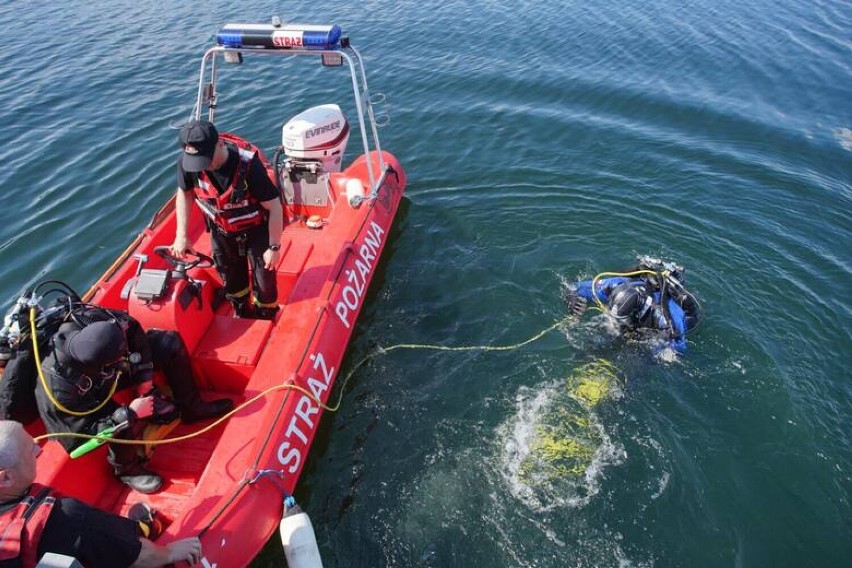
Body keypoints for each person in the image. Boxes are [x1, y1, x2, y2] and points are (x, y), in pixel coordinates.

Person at [34, 307, 234, 494]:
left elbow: (134, 331)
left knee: (169, 344)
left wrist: (143, 375)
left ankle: (192, 407)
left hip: (107, 375)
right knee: (122, 419)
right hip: (88, 399)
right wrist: (131, 413)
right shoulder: (58, 391)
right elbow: (78, 443)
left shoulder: (95, 318)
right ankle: (127, 471)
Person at [0, 420, 202, 567]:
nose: (39, 450)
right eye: (30, 449)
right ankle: (144, 527)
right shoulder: (67, 517)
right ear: (6, 478)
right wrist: (168, 553)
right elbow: (139, 556)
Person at [171, 119, 284, 320]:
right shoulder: (188, 164)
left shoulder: (249, 167)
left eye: (207, 159)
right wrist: (182, 235)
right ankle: (241, 310)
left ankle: (265, 312)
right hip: (222, 231)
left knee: (265, 281)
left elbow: (274, 206)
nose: (203, 166)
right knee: (231, 280)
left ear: (220, 144)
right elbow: (184, 193)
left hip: (256, 229)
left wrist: (274, 247)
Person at [563, 257, 701, 354]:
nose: (614, 324)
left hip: (657, 326)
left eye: (621, 320)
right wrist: (572, 299)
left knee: (636, 358)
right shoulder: (614, 285)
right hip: (636, 311)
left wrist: (656, 347)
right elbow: (575, 288)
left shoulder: (667, 317)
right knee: (592, 347)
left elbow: (679, 348)